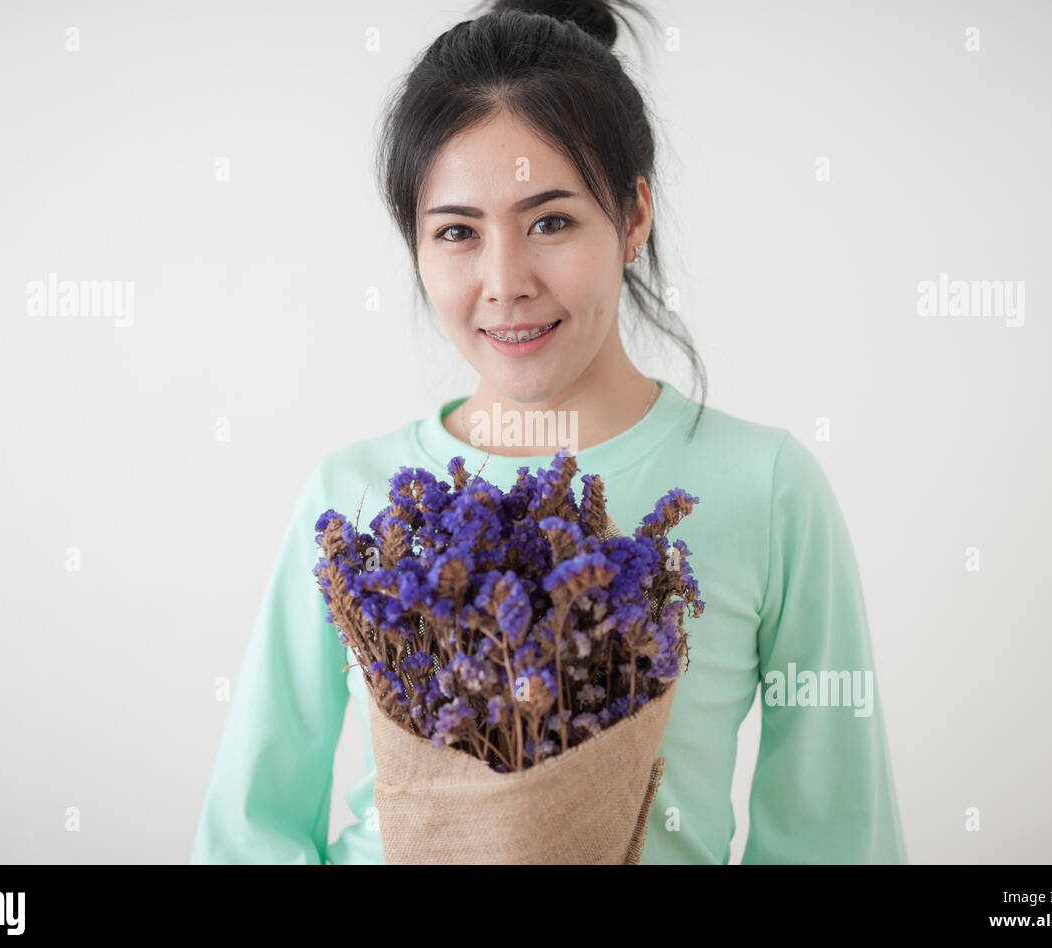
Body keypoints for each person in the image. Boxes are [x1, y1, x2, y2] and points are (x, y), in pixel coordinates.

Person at [190, 0, 907, 864]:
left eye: (551, 222)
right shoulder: (352, 498)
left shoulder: (767, 487)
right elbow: (247, 833)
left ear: (634, 216)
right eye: (457, 231)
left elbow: (834, 837)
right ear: (414, 245)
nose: (505, 282)